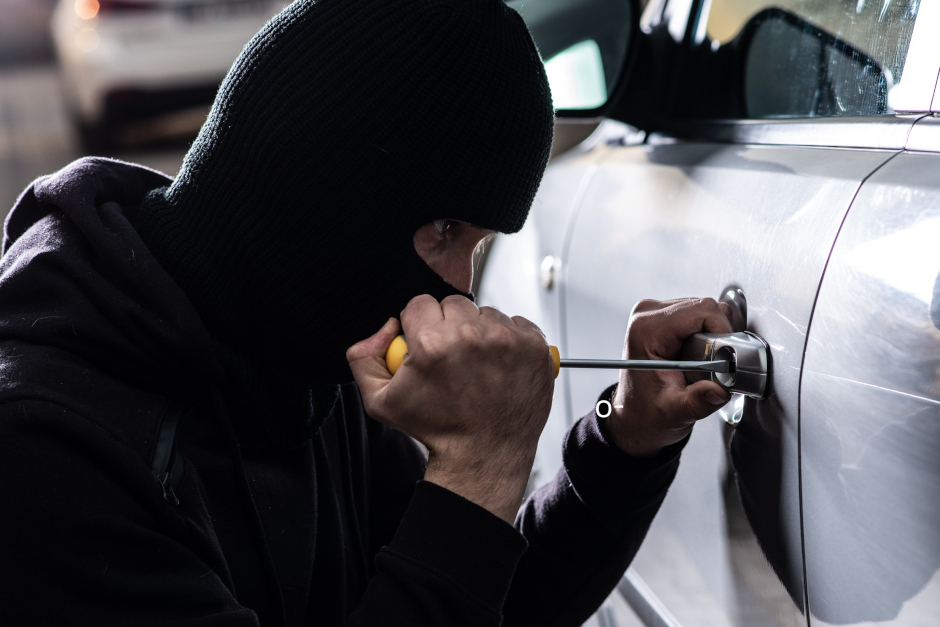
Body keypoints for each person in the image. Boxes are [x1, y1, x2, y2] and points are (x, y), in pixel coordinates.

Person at [0, 0, 733, 624]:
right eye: (448, 232)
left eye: (477, 248)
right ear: (325, 194)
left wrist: (624, 443)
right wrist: (477, 471)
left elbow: (475, 597)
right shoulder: (47, 447)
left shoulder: (305, 360)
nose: (460, 293)